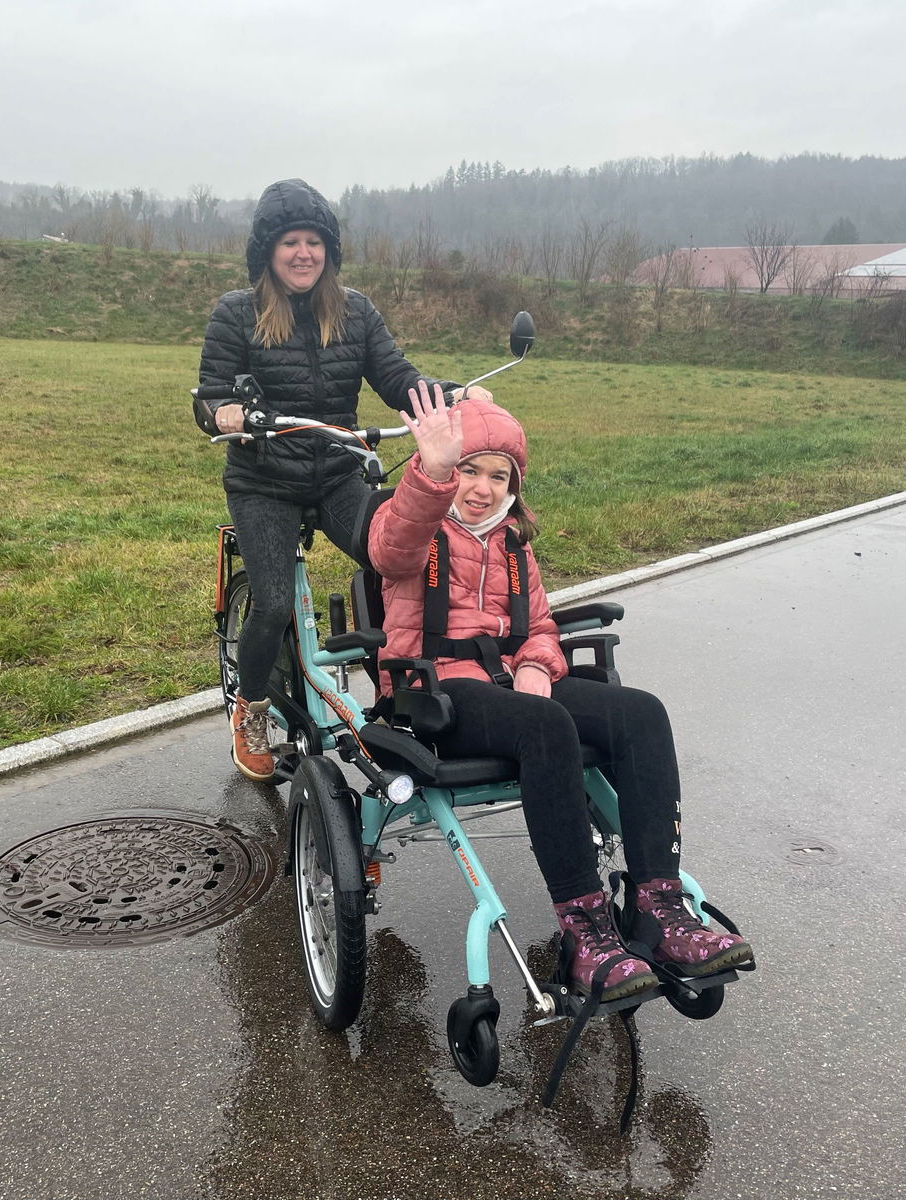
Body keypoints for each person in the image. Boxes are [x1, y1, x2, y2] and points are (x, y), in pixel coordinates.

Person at [366, 386, 753, 999]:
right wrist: (431, 471)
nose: (482, 488)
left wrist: (540, 667)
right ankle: (585, 931)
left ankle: (659, 901)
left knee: (642, 713)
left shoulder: (516, 545)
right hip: (438, 691)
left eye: (499, 476)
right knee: (545, 728)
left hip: (516, 685)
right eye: (469, 470)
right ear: (448, 472)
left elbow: (541, 628)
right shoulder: (413, 526)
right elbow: (390, 548)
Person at [197, 178, 491, 780]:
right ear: (268, 252)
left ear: (329, 250)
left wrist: (454, 396)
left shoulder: (355, 311)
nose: (303, 253)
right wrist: (225, 412)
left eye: (314, 242)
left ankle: (404, 682)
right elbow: (209, 398)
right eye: (289, 242)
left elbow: (396, 377)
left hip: (336, 472)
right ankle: (249, 711)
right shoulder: (237, 313)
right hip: (264, 480)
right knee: (274, 601)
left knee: (400, 557)